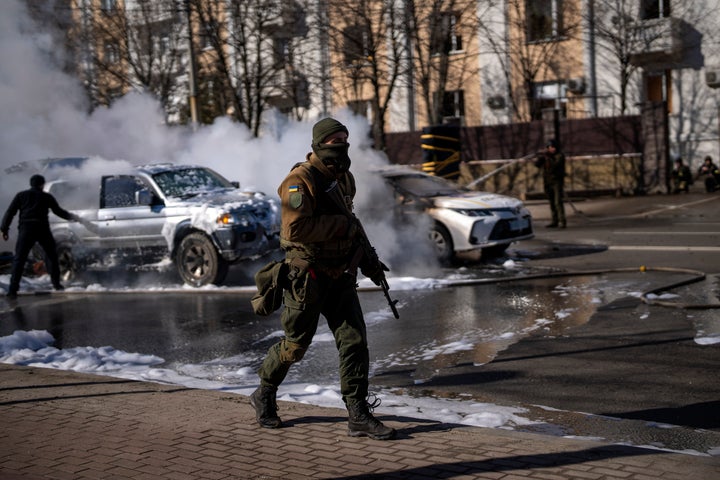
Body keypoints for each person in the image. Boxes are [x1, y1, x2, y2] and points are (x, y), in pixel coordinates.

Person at [250, 118, 396, 440]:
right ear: (318, 143)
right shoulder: (299, 181)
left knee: (354, 342)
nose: (341, 144)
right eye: (334, 139)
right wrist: (340, 228)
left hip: (340, 274)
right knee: (295, 345)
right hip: (308, 276)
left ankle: (357, 413)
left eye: (345, 138)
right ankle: (264, 392)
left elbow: (352, 224)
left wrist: (369, 262)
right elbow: (294, 231)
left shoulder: (345, 179)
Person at [1, 174, 79, 299]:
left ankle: (12, 291)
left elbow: (10, 212)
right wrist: (74, 217)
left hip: (26, 229)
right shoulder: (46, 196)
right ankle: (57, 284)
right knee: (51, 256)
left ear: (31, 184)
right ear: (42, 185)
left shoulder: (21, 195)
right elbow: (59, 211)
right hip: (42, 229)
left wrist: (4, 229)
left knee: (19, 259)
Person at [535, 139, 566, 228]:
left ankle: (562, 221)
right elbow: (537, 165)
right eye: (550, 147)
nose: (552, 149)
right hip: (547, 181)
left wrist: (548, 157)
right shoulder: (546, 157)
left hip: (556, 181)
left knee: (557, 202)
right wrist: (541, 157)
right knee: (551, 201)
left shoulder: (559, 156)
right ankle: (554, 220)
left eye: (553, 147)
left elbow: (555, 165)